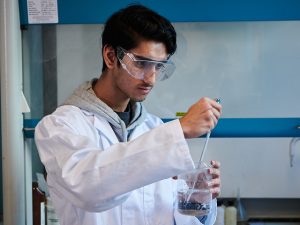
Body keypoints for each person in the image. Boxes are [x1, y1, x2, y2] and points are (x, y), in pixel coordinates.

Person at [35, 4, 222, 225]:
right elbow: (89, 188)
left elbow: (174, 215)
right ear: (111, 56)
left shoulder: (154, 128)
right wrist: (179, 130)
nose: (151, 79)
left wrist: (198, 200)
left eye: (159, 66)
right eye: (142, 63)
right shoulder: (60, 127)